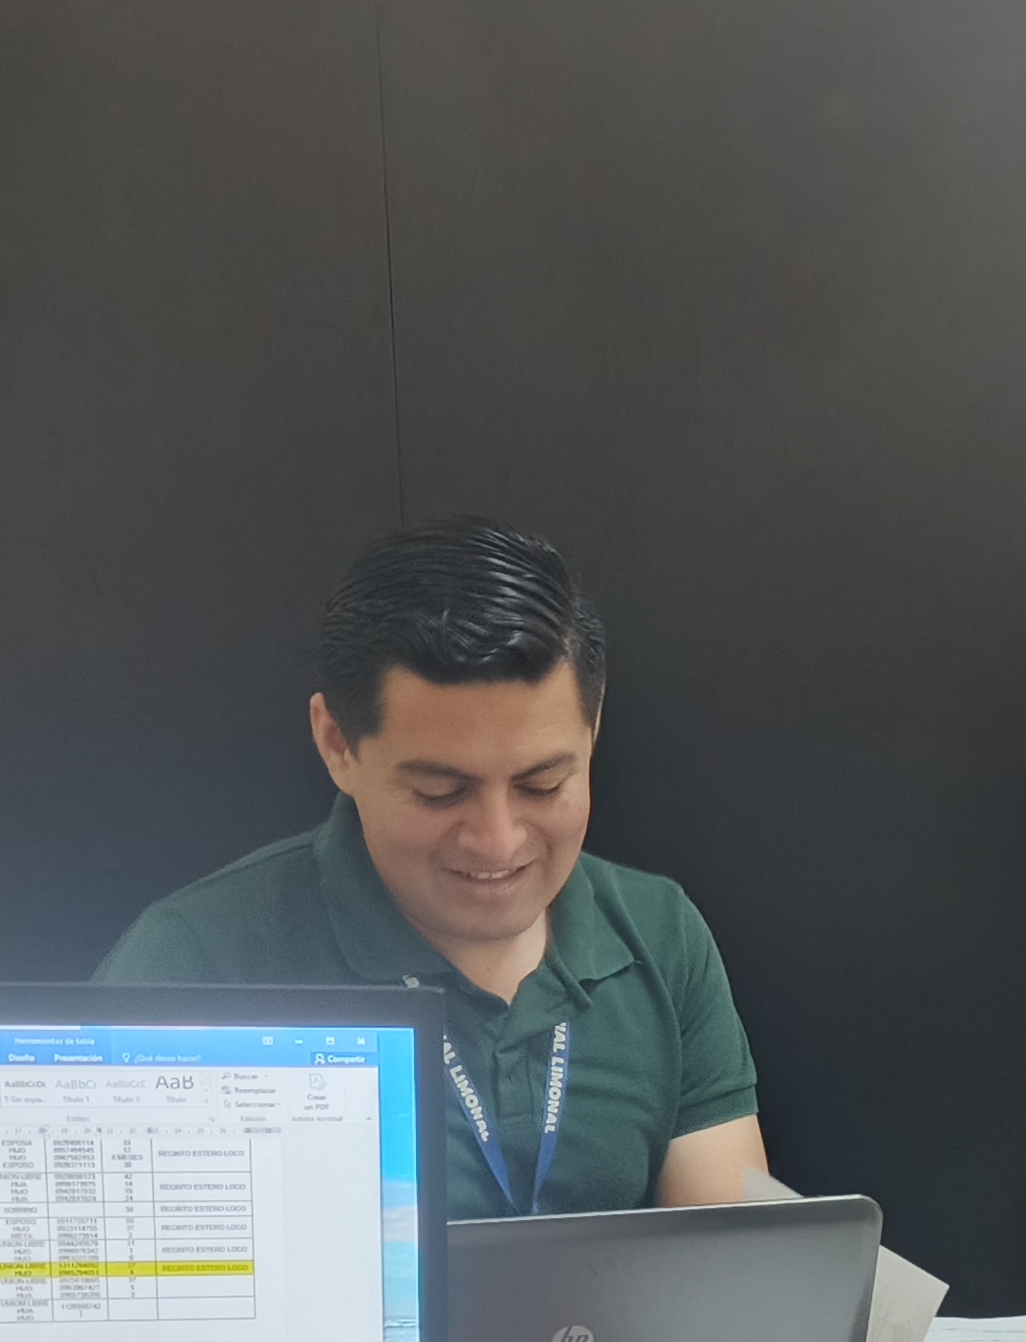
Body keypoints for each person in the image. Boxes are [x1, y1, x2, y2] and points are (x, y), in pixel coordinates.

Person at [96, 516, 766, 1215]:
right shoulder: (197, 961)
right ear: (337, 745)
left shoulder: (659, 935)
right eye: (440, 792)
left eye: (542, 785)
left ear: (592, 734)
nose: (497, 843)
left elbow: (731, 1251)